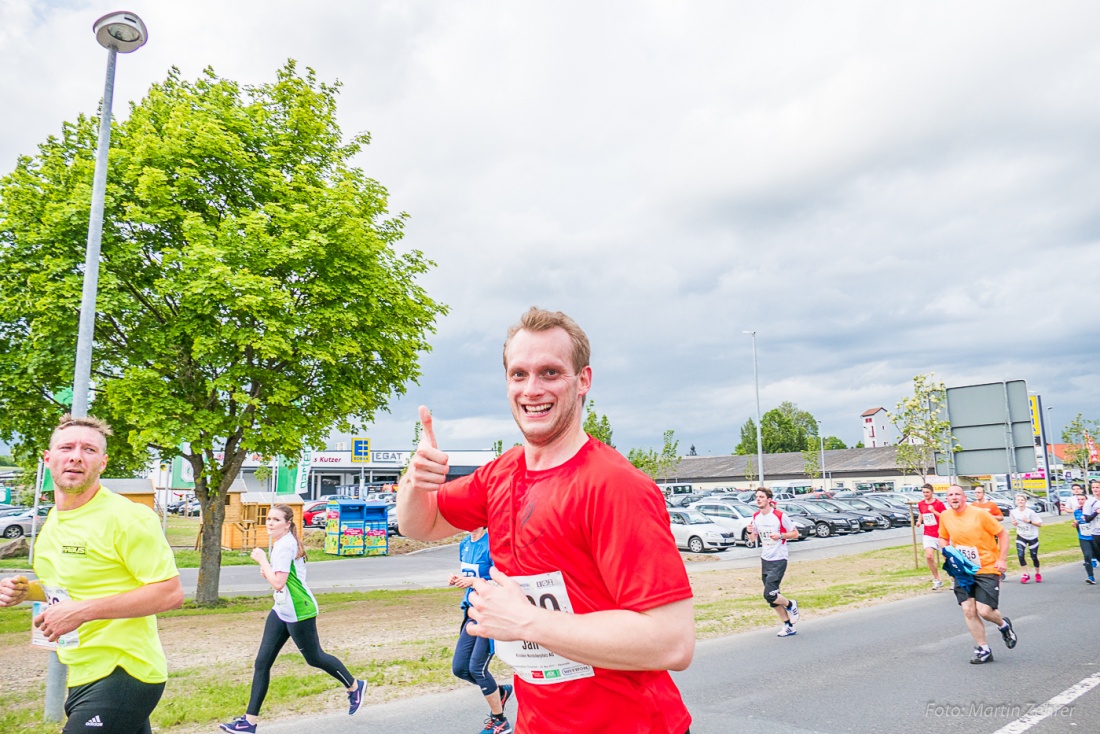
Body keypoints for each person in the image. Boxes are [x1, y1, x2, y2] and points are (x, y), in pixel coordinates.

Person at [397, 307, 695, 733]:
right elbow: (418, 525)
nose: (532, 389)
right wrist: (415, 480)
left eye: (550, 373)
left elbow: (672, 642)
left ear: (583, 381)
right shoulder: (499, 474)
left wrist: (528, 622)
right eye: (519, 374)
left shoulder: (615, 485)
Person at [0, 414, 184, 734]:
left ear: (102, 463)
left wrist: (82, 612)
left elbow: (169, 592)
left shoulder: (128, 517)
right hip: (81, 671)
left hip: (125, 671)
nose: (75, 456)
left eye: (88, 449)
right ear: (48, 458)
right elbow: (70, 585)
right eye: (66, 447)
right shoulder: (54, 522)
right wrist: (26, 591)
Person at [220, 504, 365, 733]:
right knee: (262, 663)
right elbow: (280, 579)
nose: (270, 523)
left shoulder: (285, 545)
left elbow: (278, 582)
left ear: (287, 523)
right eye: (268, 519)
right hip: (281, 609)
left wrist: (262, 561)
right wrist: (269, 570)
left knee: (315, 657)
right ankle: (249, 722)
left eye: (276, 520)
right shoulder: (283, 543)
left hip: (299, 610)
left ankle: (354, 686)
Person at [938, 484, 1017, 664]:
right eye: (950, 495)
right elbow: (942, 537)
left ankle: (1003, 625)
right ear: (947, 499)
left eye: (958, 494)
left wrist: (1002, 559)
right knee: (968, 610)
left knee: (985, 611)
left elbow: (1003, 534)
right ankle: (984, 649)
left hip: (987, 567)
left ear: (964, 497)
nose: (954, 497)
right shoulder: (945, 516)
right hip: (963, 570)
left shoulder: (980, 514)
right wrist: (947, 551)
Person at [448, 528, 514, 734]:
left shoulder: (492, 543)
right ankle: (499, 692)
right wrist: (458, 579)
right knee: (460, 668)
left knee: (477, 668)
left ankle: (500, 721)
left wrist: (475, 582)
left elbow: (504, 580)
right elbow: (471, 576)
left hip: (490, 613)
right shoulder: (465, 544)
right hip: (471, 611)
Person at [746, 488, 801, 637]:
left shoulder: (779, 516)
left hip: (779, 559)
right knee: (773, 598)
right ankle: (789, 626)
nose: (758, 499)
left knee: (769, 594)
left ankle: (791, 604)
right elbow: (753, 539)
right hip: (765, 559)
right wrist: (750, 531)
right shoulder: (756, 516)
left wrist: (781, 535)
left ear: (769, 499)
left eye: (761, 497)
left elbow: (795, 533)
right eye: (756, 497)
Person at [917, 484, 947, 590]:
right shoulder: (921, 503)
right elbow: (921, 512)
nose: (925, 494)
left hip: (941, 534)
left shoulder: (939, 503)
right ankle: (937, 579)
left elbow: (945, 516)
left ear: (932, 492)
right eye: (924, 492)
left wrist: (934, 511)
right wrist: (919, 521)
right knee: (929, 556)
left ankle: (954, 579)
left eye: (927, 492)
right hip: (928, 534)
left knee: (947, 557)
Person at [1008, 494, 1043, 583]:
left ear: (1025, 502)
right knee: (1020, 554)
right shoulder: (1013, 512)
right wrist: (1014, 523)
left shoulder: (1030, 512)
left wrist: (1029, 521)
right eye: (1018, 500)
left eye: (1022, 500)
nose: (1020, 501)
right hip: (1021, 535)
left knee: (1033, 556)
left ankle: (1037, 573)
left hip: (1032, 536)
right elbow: (1013, 521)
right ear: (1016, 502)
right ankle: (1025, 574)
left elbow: (1039, 524)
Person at [1070, 494, 1096, 585]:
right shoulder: (1077, 511)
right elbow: (1077, 521)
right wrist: (1075, 524)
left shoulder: (1093, 510)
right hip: (1083, 537)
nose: (1081, 501)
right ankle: (1090, 577)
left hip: (1095, 537)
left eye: (1083, 499)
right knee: (1087, 556)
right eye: (1079, 499)